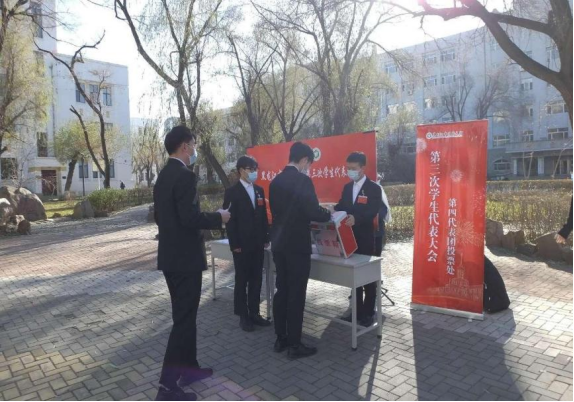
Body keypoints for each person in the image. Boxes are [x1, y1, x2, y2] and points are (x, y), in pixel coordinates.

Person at [153, 126, 231, 402]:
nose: (195, 149)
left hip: (170, 258)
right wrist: (219, 217)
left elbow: (161, 217)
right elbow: (190, 218)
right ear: (185, 146)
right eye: (194, 144)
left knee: (184, 318)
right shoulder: (185, 176)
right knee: (184, 322)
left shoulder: (162, 176)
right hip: (186, 260)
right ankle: (167, 387)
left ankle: (190, 369)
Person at [270, 142, 331, 359]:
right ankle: (295, 345)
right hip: (297, 245)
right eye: (309, 164)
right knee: (296, 293)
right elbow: (313, 211)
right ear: (304, 160)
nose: (308, 168)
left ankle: (281, 338)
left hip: (279, 244)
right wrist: (328, 213)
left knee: (282, 290)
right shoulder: (303, 181)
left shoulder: (275, 181)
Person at [334, 152, 383, 328]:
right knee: (354, 277)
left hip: (365, 238)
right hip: (349, 239)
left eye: (353, 168)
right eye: (348, 168)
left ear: (363, 168)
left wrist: (357, 218)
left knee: (367, 278)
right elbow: (342, 205)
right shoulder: (348, 187)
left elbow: (372, 211)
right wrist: (331, 209)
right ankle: (356, 311)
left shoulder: (373, 188)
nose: (350, 171)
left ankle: (368, 313)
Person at [223, 156, 271, 332]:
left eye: (255, 169)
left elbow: (263, 216)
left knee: (256, 279)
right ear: (241, 170)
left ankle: (255, 313)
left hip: (257, 243)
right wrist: (234, 243)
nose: (254, 172)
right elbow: (229, 220)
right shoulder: (232, 192)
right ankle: (243, 315)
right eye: (251, 169)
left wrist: (266, 237)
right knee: (242, 280)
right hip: (241, 244)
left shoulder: (259, 190)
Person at [374, 174, 392, 256]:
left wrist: (377, 217)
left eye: (378, 178)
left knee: (377, 250)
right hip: (365, 229)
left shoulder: (379, 189)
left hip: (378, 227)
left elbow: (384, 207)